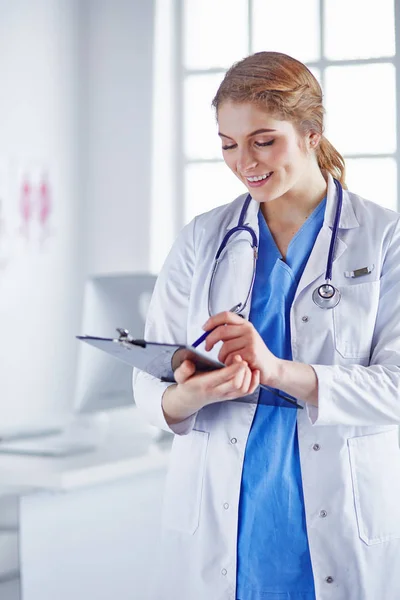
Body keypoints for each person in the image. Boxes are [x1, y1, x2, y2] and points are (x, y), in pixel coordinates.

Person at [133, 51, 400, 600]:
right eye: (228, 144)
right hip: (224, 516)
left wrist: (279, 371)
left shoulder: (383, 238)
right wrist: (188, 395)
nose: (244, 161)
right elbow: (149, 382)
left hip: (338, 517)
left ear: (310, 134)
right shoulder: (202, 239)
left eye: (263, 140)